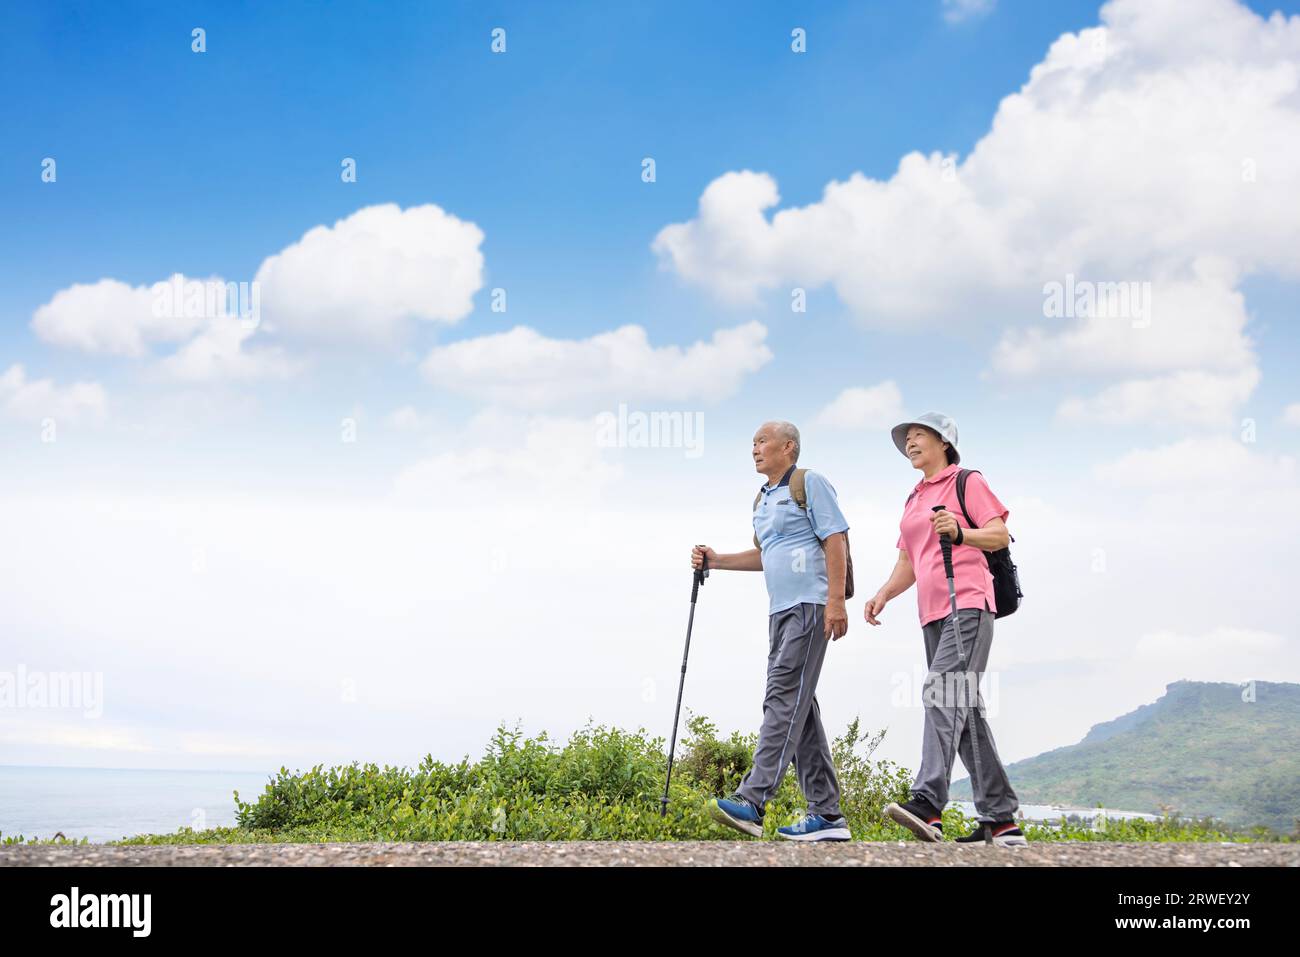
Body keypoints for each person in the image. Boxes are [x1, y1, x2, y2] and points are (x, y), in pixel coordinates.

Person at [865, 412, 1026, 847]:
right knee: (965, 711)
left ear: (944, 442)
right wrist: (883, 593)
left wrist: (960, 532)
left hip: (969, 603)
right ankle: (1001, 820)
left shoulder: (966, 481)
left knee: (940, 691)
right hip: (931, 613)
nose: (910, 442)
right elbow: (908, 562)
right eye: (907, 439)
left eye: (919, 435)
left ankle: (928, 803)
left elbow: (999, 535)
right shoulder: (914, 497)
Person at [690, 420, 851, 841]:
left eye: (762, 441)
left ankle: (752, 801)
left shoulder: (809, 483)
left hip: (810, 606)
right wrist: (716, 560)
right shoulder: (762, 499)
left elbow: (836, 539)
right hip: (779, 612)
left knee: (781, 698)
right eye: (752, 443)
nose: (755, 448)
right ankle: (828, 816)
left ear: (788, 446)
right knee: (800, 708)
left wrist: (835, 601)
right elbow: (766, 555)